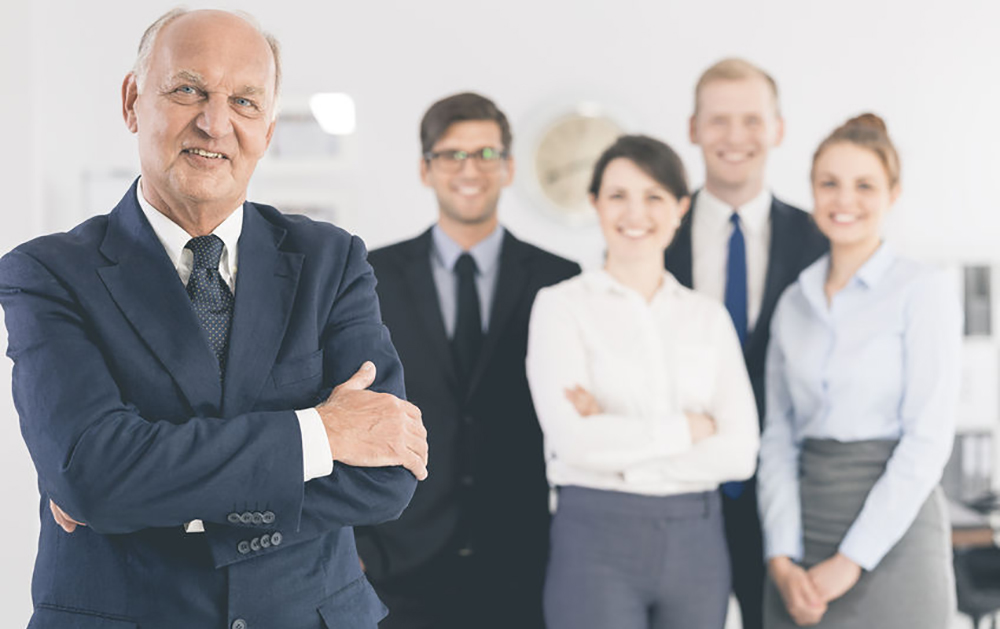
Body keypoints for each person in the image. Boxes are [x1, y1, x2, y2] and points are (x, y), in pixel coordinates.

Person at [0, 9, 428, 629]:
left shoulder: (331, 261)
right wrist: (320, 436)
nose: (215, 122)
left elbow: (389, 473)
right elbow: (91, 474)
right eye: (187, 90)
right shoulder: (47, 274)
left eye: (245, 102)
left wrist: (150, 494)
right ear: (132, 101)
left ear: (270, 127)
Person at [356, 92, 580, 629]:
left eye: (485, 154)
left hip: (521, 557)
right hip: (399, 558)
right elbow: (347, 404)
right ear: (425, 169)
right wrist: (355, 542)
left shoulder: (560, 279)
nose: (469, 169)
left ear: (508, 167)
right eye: (452, 154)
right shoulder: (371, 276)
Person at [526, 135, 759, 629]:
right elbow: (574, 443)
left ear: (680, 208)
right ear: (595, 204)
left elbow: (740, 452)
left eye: (654, 196)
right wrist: (689, 428)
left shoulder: (707, 318)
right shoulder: (561, 307)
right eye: (617, 195)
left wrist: (617, 436)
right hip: (594, 536)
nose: (636, 213)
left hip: (697, 541)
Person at [758, 114, 960, 628]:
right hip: (804, 527)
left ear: (893, 194)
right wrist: (781, 559)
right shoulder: (793, 303)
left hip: (895, 533)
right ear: (812, 193)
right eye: (829, 184)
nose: (844, 200)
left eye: (864, 185)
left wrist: (852, 560)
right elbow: (778, 437)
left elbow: (928, 439)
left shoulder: (923, 290)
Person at [664, 57, 828, 629]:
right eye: (719, 120)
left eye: (752, 121)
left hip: (792, 501)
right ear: (692, 128)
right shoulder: (652, 234)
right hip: (681, 492)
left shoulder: (820, 240)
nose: (736, 138)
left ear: (779, 129)